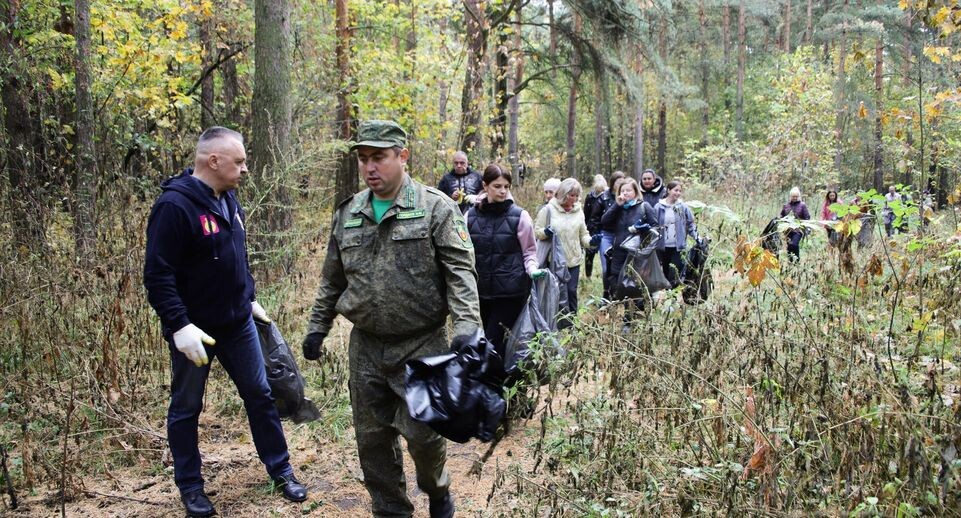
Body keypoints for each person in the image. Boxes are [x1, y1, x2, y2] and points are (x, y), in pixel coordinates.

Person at [302, 120, 479, 518]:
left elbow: (460, 274)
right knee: (372, 440)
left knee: (423, 436)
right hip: (365, 346)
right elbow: (332, 280)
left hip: (422, 345)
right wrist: (318, 326)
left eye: (379, 158)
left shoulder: (436, 207)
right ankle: (391, 510)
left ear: (402, 156)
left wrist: (468, 328)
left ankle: (437, 488)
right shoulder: (349, 213)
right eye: (363, 159)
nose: (370, 168)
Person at [143, 127, 307, 518]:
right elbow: (158, 275)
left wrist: (249, 297)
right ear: (213, 161)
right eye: (239, 161)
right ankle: (191, 488)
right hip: (194, 332)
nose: (245, 169)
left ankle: (281, 470)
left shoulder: (230, 199)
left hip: (237, 323)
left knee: (261, 395)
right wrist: (179, 325)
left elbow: (237, 256)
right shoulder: (174, 207)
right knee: (186, 408)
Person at [466, 164, 543, 368]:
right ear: (485, 186)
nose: (502, 191)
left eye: (506, 186)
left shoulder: (520, 216)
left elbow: (529, 251)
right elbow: (464, 253)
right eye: (497, 186)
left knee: (493, 341)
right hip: (481, 291)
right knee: (498, 343)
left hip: (511, 292)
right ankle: (506, 386)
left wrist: (533, 270)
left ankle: (494, 390)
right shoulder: (469, 216)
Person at [534, 178, 592, 329]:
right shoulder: (548, 210)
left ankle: (572, 324)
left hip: (573, 260)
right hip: (553, 260)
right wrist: (545, 232)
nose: (573, 199)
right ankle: (552, 324)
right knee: (556, 294)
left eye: (576, 195)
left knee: (571, 292)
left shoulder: (579, 211)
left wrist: (591, 242)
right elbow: (537, 231)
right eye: (570, 195)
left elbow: (583, 234)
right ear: (562, 194)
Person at [601, 177, 657, 332]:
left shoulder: (644, 206)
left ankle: (630, 319)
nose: (625, 193)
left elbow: (656, 227)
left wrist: (644, 230)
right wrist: (616, 206)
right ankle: (628, 312)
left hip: (637, 252)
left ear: (635, 192)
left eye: (628, 190)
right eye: (622, 190)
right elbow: (604, 221)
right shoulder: (618, 208)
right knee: (617, 281)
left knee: (633, 283)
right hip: (618, 250)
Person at [654, 180, 699, 287]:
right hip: (662, 247)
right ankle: (668, 297)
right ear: (669, 190)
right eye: (675, 190)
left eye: (680, 191)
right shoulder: (659, 207)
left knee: (674, 273)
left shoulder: (683, 207)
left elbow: (690, 224)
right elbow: (653, 224)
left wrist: (697, 238)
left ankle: (672, 299)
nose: (678, 193)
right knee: (665, 273)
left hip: (678, 246)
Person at [594, 171, 626, 299]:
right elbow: (595, 218)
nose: (620, 183)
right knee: (606, 267)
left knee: (620, 267)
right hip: (606, 234)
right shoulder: (604, 197)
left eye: (622, 180)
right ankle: (606, 292)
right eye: (618, 180)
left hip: (621, 234)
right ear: (613, 182)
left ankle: (619, 293)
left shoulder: (627, 196)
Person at [582, 174, 608, 278]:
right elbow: (586, 213)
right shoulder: (590, 196)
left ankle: (605, 274)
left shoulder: (607, 196)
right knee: (589, 253)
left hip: (603, 228)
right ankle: (588, 275)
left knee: (605, 253)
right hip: (591, 227)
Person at [780, 186, 811, 261]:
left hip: (798, 230)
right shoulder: (786, 206)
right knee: (789, 246)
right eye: (793, 196)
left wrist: (806, 227)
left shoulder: (802, 205)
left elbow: (807, 217)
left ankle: (797, 260)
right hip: (788, 230)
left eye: (796, 196)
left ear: (799, 196)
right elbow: (782, 216)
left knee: (794, 244)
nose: (795, 198)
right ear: (790, 196)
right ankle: (790, 262)